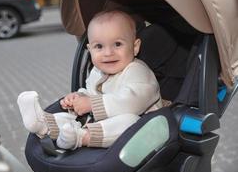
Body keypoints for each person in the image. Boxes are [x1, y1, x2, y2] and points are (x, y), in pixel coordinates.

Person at [17, 10, 162, 150]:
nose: (108, 53)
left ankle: (80, 137)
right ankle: (44, 125)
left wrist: (91, 104)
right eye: (99, 46)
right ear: (90, 49)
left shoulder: (138, 71)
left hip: (147, 129)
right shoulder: (97, 71)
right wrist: (79, 98)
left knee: (130, 121)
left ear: (135, 47)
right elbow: (91, 92)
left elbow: (131, 103)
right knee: (71, 119)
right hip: (103, 124)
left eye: (117, 44)